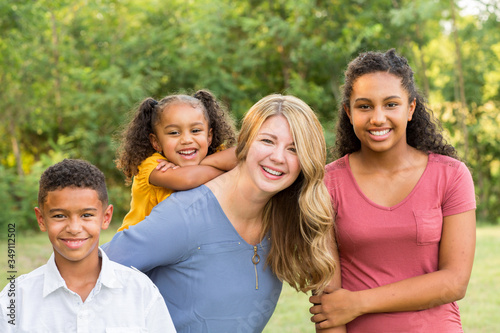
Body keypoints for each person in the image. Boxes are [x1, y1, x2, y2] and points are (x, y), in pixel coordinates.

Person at [102, 94, 338, 332]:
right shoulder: (185, 214)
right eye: (267, 141)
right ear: (244, 144)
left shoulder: (285, 214)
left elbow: (330, 305)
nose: (278, 157)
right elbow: (87, 272)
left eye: (294, 149)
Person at [309, 49, 476, 332]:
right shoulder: (326, 184)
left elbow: (454, 282)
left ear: (410, 109)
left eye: (390, 104)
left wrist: (358, 302)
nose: (377, 118)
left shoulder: (450, 175)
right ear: (348, 112)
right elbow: (329, 306)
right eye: (364, 106)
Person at [0, 159, 176, 332]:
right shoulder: (16, 299)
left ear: (106, 217)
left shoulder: (139, 291)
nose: (74, 229)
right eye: (59, 216)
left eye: (86, 215)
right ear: (41, 219)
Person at [115, 89, 237, 231]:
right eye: (174, 133)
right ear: (156, 142)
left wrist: (205, 164)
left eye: (196, 130)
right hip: (135, 247)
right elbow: (188, 179)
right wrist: (222, 168)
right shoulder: (150, 164)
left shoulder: (212, 155)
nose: (186, 140)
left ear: (209, 136)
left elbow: (240, 155)